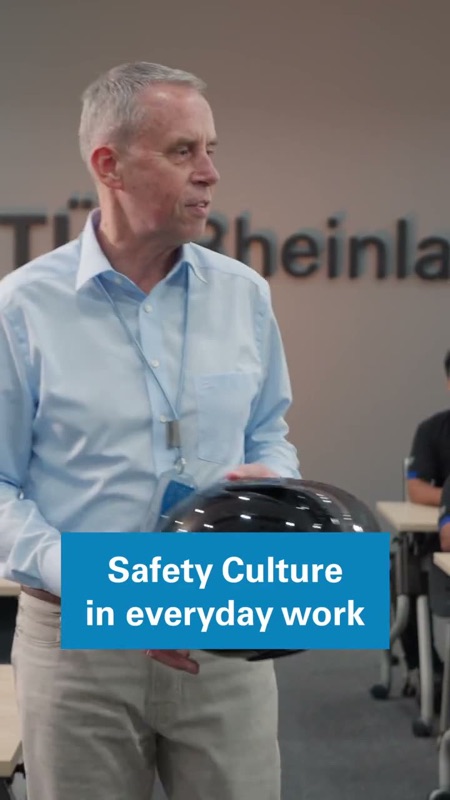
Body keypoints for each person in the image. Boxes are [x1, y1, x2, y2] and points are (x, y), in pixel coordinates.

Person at [0, 62, 299, 800]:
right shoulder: (22, 309)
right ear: (110, 165)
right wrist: (109, 593)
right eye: (183, 151)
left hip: (220, 623)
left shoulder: (244, 296)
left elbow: (270, 434)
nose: (211, 173)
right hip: (78, 644)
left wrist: (275, 486)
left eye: (211, 149)